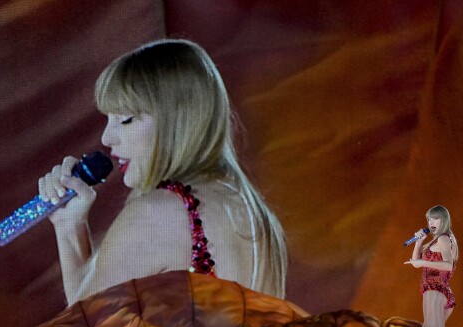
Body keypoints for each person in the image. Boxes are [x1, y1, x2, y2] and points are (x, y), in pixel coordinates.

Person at [38, 38, 287, 305]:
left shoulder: (157, 214)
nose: (108, 137)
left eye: (126, 119)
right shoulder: (257, 215)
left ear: (177, 119)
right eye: (108, 119)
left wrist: (71, 230)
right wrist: (69, 226)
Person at [404, 205, 460, 327]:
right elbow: (414, 260)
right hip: (432, 291)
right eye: (428, 220)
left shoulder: (444, 238)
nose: (431, 223)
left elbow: (448, 264)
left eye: (434, 219)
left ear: (443, 220)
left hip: (436, 290)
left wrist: (423, 263)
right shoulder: (434, 241)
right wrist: (418, 242)